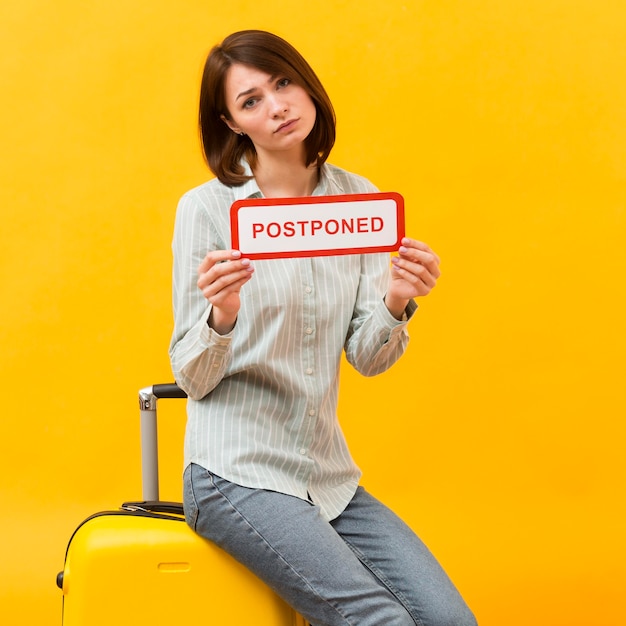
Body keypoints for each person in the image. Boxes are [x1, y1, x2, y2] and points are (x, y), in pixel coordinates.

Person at [169, 29, 477, 626]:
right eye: (251, 100)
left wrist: (395, 299)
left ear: (306, 84)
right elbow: (192, 375)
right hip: (235, 474)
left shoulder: (357, 199)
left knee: (449, 621)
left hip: (326, 476)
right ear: (233, 124)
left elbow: (367, 358)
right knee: (378, 620)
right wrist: (222, 316)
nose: (277, 106)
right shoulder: (206, 210)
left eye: (282, 83)